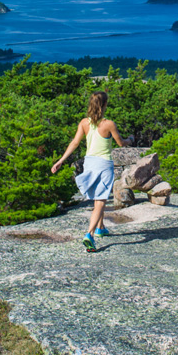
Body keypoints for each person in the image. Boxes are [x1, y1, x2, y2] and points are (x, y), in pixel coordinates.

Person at [51, 90, 126, 252]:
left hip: (89, 163)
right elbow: (121, 143)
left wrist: (60, 161)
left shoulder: (84, 123)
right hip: (104, 164)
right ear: (104, 105)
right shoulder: (109, 124)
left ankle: (100, 228)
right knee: (100, 200)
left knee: (96, 196)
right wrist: (131, 139)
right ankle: (89, 234)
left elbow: (74, 143)